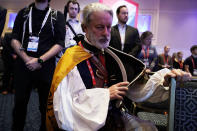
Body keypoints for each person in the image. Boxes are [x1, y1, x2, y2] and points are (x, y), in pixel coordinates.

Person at [46, 3, 191, 131]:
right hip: (85, 123)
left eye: (109, 27)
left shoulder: (110, 54)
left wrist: (165, 80)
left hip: (113, 114)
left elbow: (135, 89)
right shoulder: (70, 59)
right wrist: (106, 95)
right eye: (99, 27)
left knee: (148, 128)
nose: (106, 33)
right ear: (85, 28)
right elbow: (66, 109)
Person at [11, 0, 65, 130]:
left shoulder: (57, 16)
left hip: (46, 67)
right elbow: (14, 39)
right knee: (19, 105)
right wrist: (27, 59)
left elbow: (60, 43)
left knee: (45, 107)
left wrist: (39, 60)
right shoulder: (23, 13)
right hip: (24, 66)